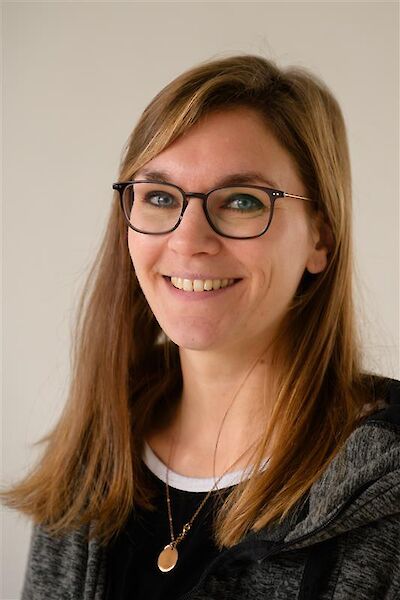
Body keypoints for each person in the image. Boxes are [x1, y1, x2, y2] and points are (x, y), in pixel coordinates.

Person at [2, 55, 399, 600]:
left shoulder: (386, 496)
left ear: (320, 240)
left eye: (242, 201)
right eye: (160, 197)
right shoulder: (89, 466)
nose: (188, 241)